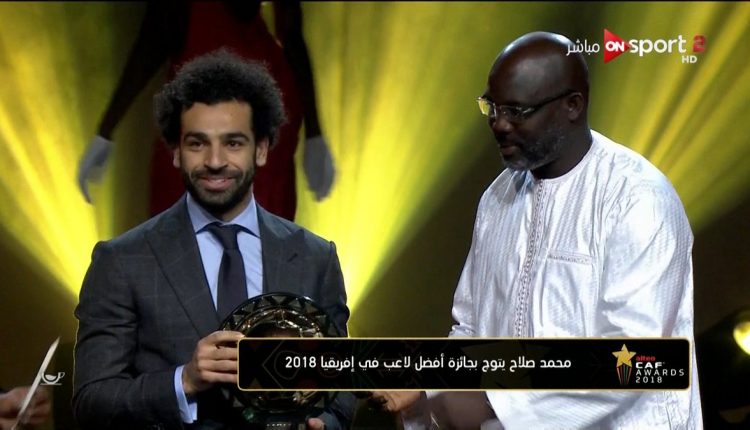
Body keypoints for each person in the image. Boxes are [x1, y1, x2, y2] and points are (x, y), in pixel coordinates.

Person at [375, 31, 703, 428]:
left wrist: (493, 401)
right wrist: (427, 385)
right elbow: (472, 329)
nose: (499, 124)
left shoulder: (636, 198)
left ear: (572, 105)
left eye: (517, 111)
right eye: (492, 107)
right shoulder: (497, 198)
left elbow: (632, 358)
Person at [73, 49, 353, 429]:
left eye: (233, 143)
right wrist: (183, 381)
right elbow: (92, 401)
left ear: (262, 149)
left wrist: (325, 425)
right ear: (176, 152)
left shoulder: (315, 257)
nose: (215, 160)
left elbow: (340, 382)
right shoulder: (122, 261)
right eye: (197, 143)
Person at [77, 0, 335, 220]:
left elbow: (154, 37)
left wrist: (315, 133)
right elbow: (153, 39)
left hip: (249, 119)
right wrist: (105, 131)